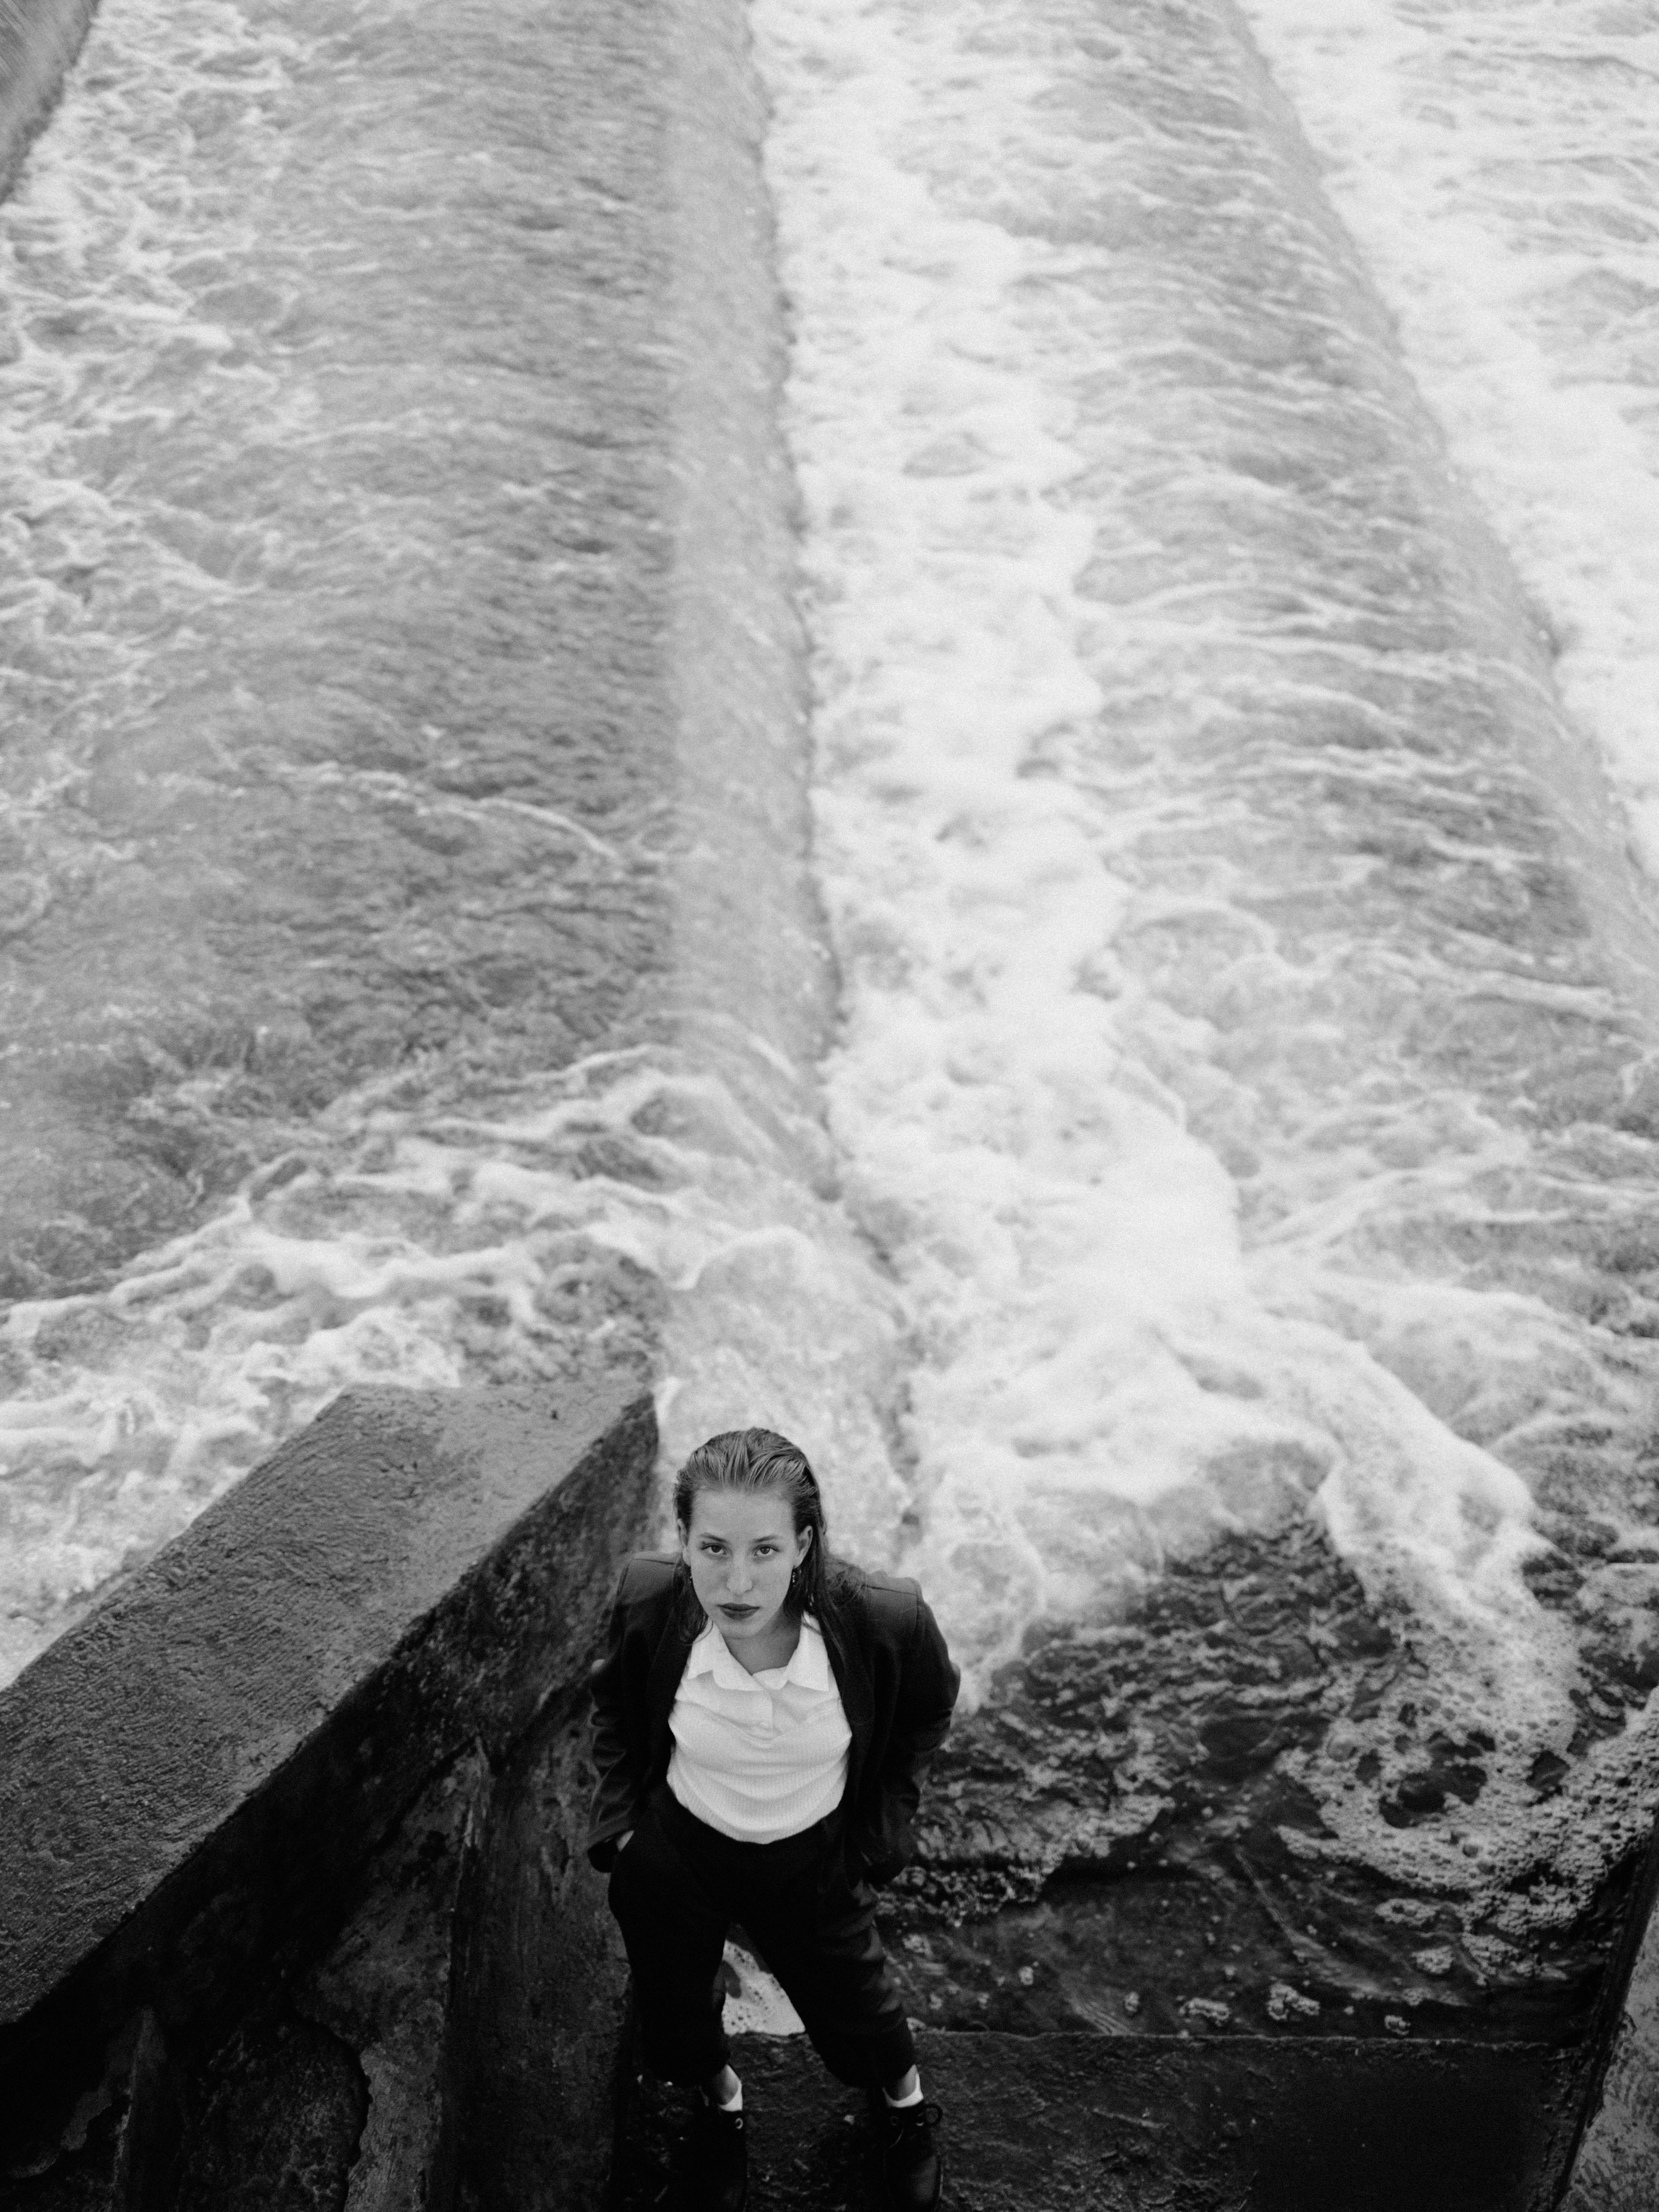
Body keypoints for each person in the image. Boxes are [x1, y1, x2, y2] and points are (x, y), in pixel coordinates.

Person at [587, 1427, 960, 2212]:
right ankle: (720, 2104)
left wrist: (879, 1836)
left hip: (812, 1857)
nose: (737, 1582)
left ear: (803, 1545)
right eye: (713, 1548)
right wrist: (624, 1828)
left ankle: (902, 2108)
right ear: (682, 1539)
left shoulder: (884, 1619)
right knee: (676, 2012)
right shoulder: (648, 1599)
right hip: (681, 1849)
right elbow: (613, 1705)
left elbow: (926, 1713)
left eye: (764, 1549)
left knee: (862, 2011)